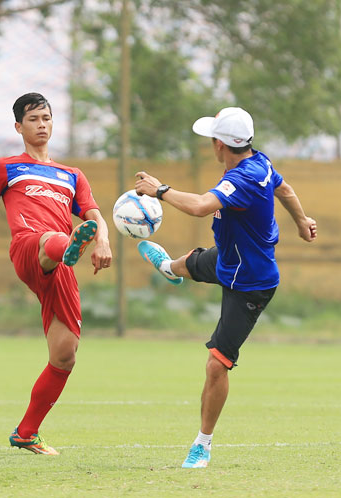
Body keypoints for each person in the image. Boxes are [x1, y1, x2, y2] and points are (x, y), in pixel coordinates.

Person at [135, 106, 317, 469]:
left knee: (217, 365)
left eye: (212, 139)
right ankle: (171, 268)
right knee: (193, 263)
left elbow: (202, 206)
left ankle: (203, 445)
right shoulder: (259, 162)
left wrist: (161, 190)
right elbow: (286, 188)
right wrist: (302, 220)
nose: (210, 144)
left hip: (251, 284)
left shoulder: (246, 177)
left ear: (220, 144)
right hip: (229, 261)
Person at [0, 92, 112, 455]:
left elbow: (94, 215)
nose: (41, 125)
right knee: (52, 239)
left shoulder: (72, 175)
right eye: (33, 120)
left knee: (65, 353)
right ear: (18, 127)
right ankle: (68, 244)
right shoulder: (4, 168)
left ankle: (27, 432)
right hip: (30, 247)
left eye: (46, 118)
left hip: (61, 267)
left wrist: (102, 238)